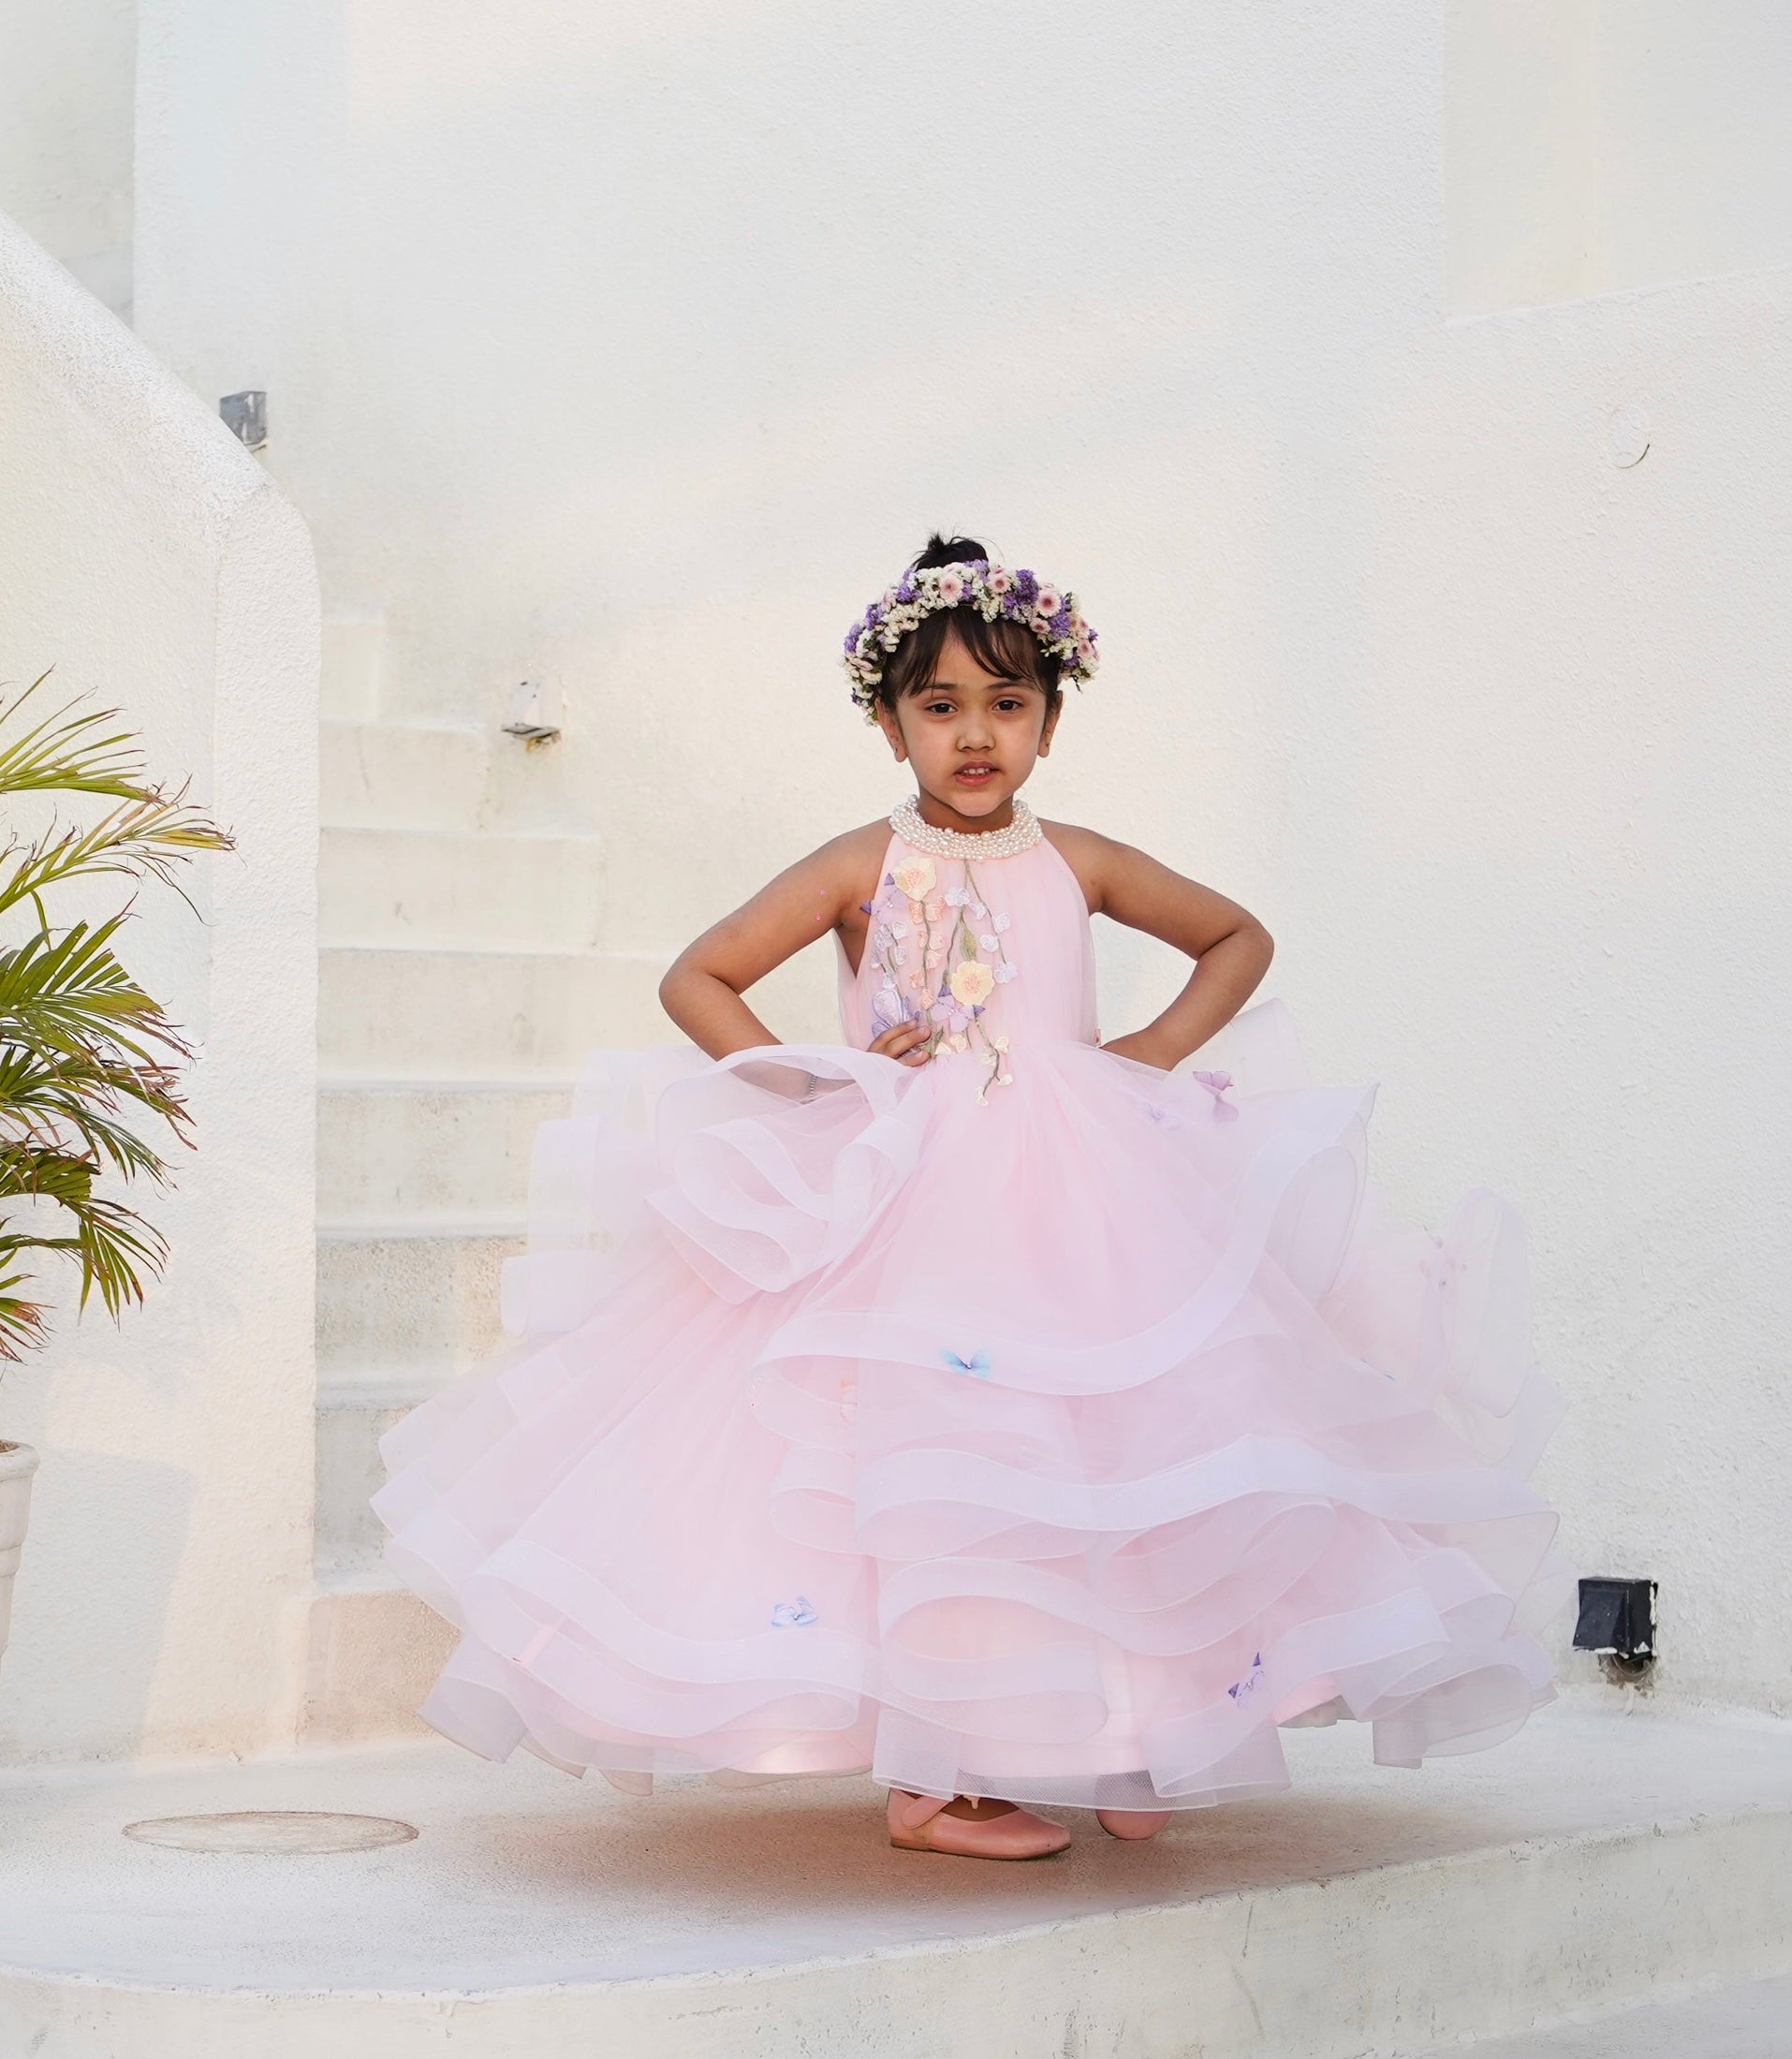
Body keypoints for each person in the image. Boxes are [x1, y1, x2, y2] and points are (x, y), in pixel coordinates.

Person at [375, 534, 1575, 1860]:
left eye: (1006, 703)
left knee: (1116, 1461)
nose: (974, 733)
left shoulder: (1084, 859)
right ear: (888, 725)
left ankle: (1140, 1737)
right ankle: (938, 1776)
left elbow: (1237, 936)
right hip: (913, 1205)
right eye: (938, 705)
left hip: (1090, 1201)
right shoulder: (857, 865)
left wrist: (1145, 1059)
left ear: (1050, 720)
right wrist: (820, 1083)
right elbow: (698, 977)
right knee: (949, 1475)